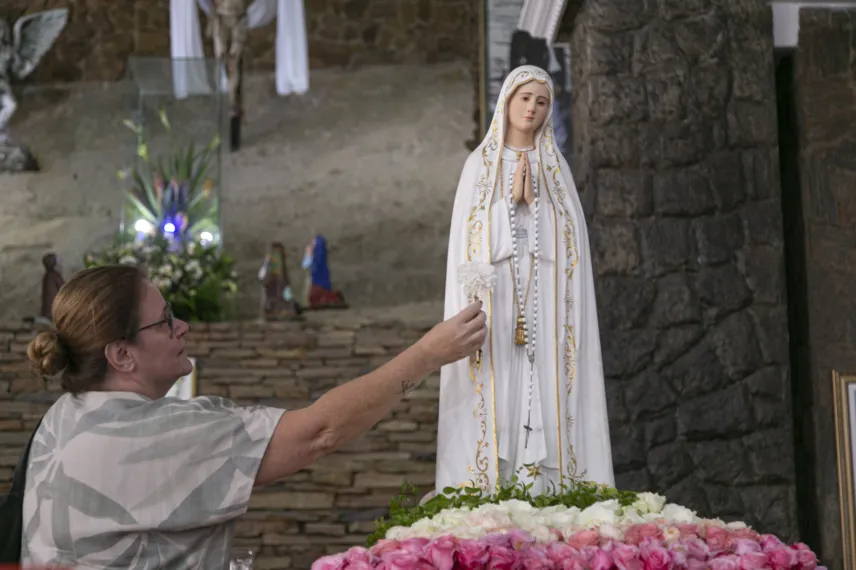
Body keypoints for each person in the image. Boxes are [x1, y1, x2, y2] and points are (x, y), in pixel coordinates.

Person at [22, 265, 486, 568]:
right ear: (122, 354)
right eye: (164, 321)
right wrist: (430, 353)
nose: (181, 326)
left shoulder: (64, 415)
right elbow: (319, 432)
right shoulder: (154, 435)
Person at [437, 65, 614, 496]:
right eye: (525, 98)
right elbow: (467, 240)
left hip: (546, 307)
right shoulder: (479, 165)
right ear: (507, 102)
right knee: (498, 395)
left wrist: (537, 206)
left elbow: (571, 245)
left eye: (541, 102)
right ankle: (490, 489)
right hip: (496, 306)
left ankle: (543, 488)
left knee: (546, 386)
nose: (532, 108)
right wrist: (507, 207)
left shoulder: (555, 170)